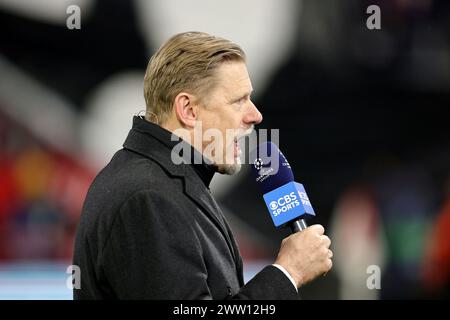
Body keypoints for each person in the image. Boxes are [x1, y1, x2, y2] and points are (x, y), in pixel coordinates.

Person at [73, 31, 333, 299]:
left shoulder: (165, 183)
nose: (255, 115)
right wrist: (287, 273)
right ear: (188, 110)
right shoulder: (148, 197)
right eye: (238, 101)